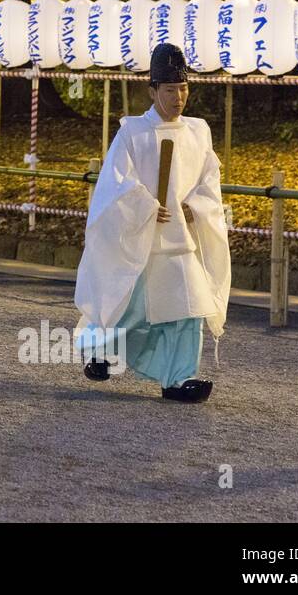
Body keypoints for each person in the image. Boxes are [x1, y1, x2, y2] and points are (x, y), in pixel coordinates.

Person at [74, 42, 231, 403]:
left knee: (189, 310)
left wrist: (198, 205)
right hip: (144, 240)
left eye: (183, 88)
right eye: (170, 90)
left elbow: (209, 178)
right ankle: (98, 351)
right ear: (153, 91)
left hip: (181, 240)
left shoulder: (198, 131)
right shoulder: (132, 133)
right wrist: (144, 205)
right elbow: (116, 183)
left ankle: (178, 378)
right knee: (132, 310)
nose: (179, 98)